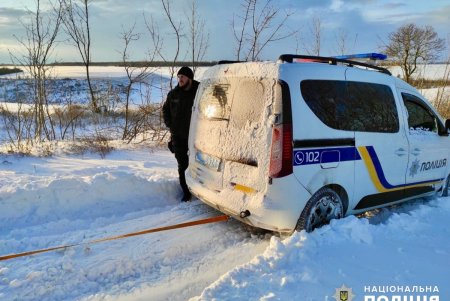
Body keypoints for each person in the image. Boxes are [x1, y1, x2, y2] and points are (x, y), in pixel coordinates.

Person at [163, 66, 199, 202]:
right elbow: (165, 109)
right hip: (178, 136)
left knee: (197, 164)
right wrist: (170, 124)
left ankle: (198, 188)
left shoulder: (199, 91)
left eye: (182, 77)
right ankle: (186, 192)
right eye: (179, 77)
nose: (180, 79)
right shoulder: (173, 94)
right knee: (182, 165)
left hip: (196, 136)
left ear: (189, 78)